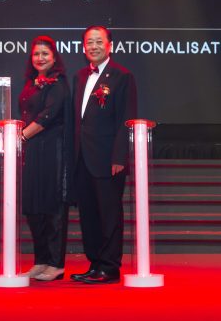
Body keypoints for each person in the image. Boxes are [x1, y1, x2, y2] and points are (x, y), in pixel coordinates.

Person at [71, 25, 137, 284]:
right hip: (82, 158)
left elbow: (126, 119)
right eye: (89, 42)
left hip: (108, 159)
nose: (94, 46)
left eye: (99, 41)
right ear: (83, 47)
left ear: (110, 45)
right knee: (88, 215)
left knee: (109, 214)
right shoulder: (79, 77)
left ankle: (109, 268)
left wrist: (119, 157)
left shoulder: (122, 76)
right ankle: (95, 263)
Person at [16, 35, 72, 282]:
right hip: (33, 152)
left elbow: (48, 116)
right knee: (34, 207)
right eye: (36, 54)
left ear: (54, 58)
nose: (40, 58)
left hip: (52, 151)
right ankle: (41, 261)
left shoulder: (58, 84)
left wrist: (22, 136)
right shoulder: (31, 83)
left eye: (45, 54)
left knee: (52, 208)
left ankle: (56, 264)